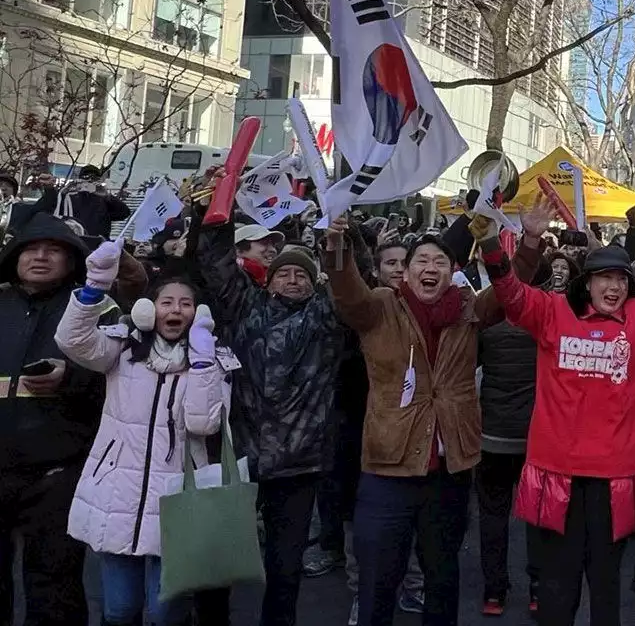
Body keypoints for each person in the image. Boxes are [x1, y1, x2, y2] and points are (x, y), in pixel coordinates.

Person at [473, 206, 635, 626]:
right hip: (557, 476)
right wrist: (490, 242)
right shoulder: (553, 313)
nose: (613, 286)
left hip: (615, 480)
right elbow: (510, 292)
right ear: (587, 283)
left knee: (605, 585)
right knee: (557, 587)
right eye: (604, 278)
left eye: (620, 279)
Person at [322, 205, 546, 626]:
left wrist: (530, 242)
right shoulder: (379, 308)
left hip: (449, 471)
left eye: (440, 262)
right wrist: (336, 245)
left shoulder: (468, 309)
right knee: (378, 584)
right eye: (421, 261)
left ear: (452, 271)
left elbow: (510, 292)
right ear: (404, 273)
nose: (430, 268)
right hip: (388, 470)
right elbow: (347, 290)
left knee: (442, 582)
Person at [55, 243, 227, 626]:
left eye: (185, 304)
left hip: (179, 501)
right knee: (119, 609)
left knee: (165, 613)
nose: (175, 310)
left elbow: (203, 423)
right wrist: (93, 289)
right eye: (167, 302)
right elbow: (73, 341)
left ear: (199, 314)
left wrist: (202, 359)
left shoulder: (213, 359)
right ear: (149, 309)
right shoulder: (122, 347)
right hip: (119, 493)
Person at [198, 216, 346, 626]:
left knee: (285, 567)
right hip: (239, 456)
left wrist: (339, 244)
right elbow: (216, 263)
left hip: (299, 465)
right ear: (269, 280)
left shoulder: (324, 318)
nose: (293, 280)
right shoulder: (246, 306)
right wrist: (216, 217)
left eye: (302, 274)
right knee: (221, 558)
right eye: (285, 273)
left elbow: (350, 285)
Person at [0, 213, 98, 625]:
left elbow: (120, 373)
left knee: (54, 587)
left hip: (58, 473)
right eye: (31, 249)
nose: (40, 257)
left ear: (72, 260)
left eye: (53, 250)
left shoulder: (93, 308)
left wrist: (72, 377)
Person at [474, 246, 574, 616]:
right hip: (537, 438)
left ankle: (493, 592)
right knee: (538, 518)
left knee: (492, 515)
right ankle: (537, 588)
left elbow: (470, 367)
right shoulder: (551, 325)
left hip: (492, 435)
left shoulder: (489, 324)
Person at [60, 165, 132, 240]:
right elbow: (55, 214)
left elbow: (124, 213)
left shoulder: (104, 199)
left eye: (94, 178)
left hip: (99, 244)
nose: (90, 181)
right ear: (79, 180)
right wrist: (64, 192)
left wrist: (107, 196)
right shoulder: (70, 198)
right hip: (76, 242)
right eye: (86, 178)